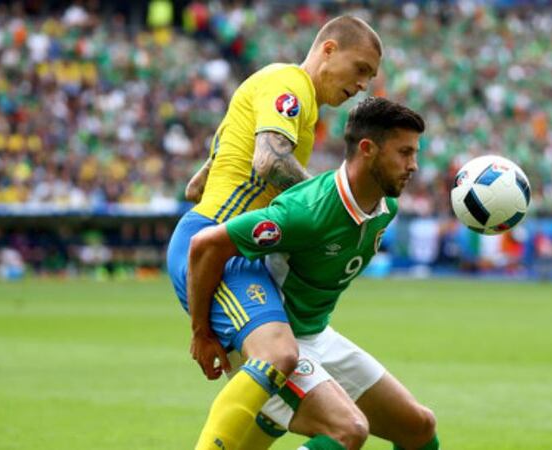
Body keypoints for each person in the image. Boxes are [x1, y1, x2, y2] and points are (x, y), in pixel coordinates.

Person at [167, 15, 383, 450]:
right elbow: (269, 162)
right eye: (360, 69)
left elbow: (197, 184)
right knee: (280, 356)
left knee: (314, 413)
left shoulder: (282, 96)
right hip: (218, 244)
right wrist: (326, 206)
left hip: (243, 248)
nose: (363, 85)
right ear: (328, 50)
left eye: (371, 78)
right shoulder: (290, 86)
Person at [185, 97, 438, 450]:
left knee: (420, 427)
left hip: (317, 335)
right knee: (348, 431)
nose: (413, 166)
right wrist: (202, 332)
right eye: (404, 153)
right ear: (367, 149)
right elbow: (205, 245)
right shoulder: (307, 212)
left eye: (415, 154)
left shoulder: (386, 207)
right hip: (275, 341)